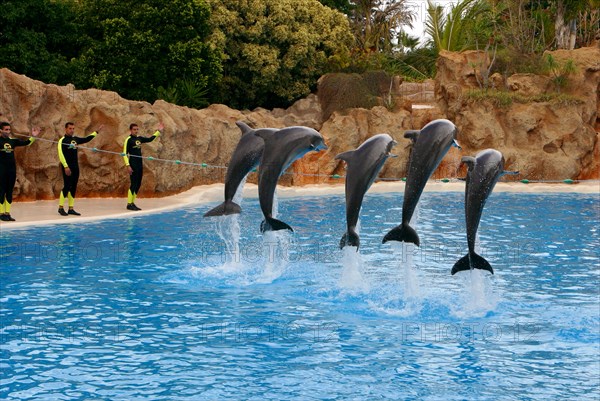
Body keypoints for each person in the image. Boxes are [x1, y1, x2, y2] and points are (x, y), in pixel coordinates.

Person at [57, 122, 102, 216]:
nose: (72, 130)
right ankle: (60, 208)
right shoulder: (62, 140)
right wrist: (65, 166)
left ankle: (71, 208)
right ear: (66, 129)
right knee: (67, 186)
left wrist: (96, 132)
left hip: (75, 166)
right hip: (67, 167)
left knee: (73, 187)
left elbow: (86, 139)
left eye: (73, 128)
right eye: (70, 128)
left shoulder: (75, 139)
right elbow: (60, 154)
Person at [0, 122, 41, 222]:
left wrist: (33, 136)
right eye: (6, 130)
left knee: (9, 192)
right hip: (1, 170)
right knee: (1, 192)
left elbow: (26, 143)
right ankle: (1, 213)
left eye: (9, 130)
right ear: (0, 130)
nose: (8, 132)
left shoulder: (13, 141)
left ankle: (7, 213)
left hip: (11, 170)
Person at [123, 122, 163, 211]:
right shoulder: (128, 140)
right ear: (130, 130)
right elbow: (124, 154)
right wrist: (127, 165)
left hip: (139, 164)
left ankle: (132, 203)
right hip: (132, 164)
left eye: (137, 129)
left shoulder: (139, 138)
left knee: (138, 184)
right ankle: (129, 204)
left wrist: (158, 131)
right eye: (134, 129)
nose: (136, 131)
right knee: (133, 184)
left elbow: (150, 139)